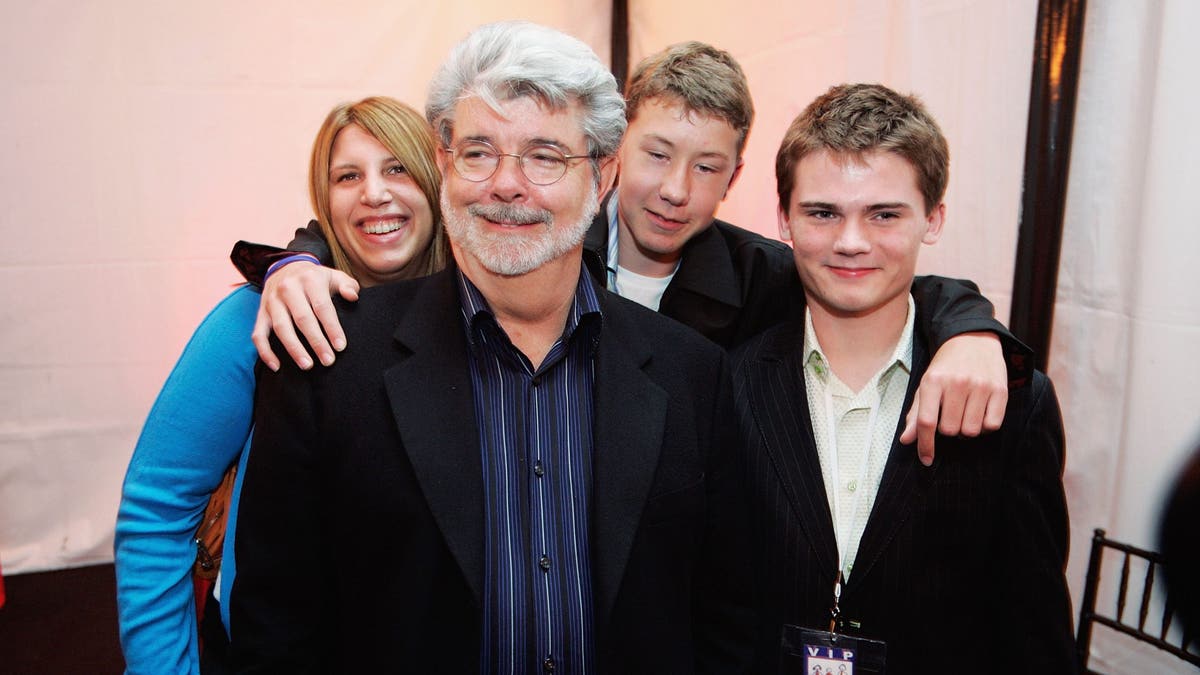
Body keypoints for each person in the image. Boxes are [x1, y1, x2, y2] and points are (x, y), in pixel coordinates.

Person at [230, 21, 753, 672]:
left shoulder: (692, 374)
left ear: (603, 172)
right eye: (479, 151)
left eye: (544, 155)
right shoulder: (330, 360)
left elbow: (727, 622)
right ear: (445, 162)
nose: (507, 184)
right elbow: (274, 631)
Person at [236, 41, 1025, 465]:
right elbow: (391, 231)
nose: (676, 189)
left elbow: (865, 270)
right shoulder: (527, 235)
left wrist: (971, 330)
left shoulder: (764, 276)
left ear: (738, 178)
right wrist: (293, 264)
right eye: (657, 154)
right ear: (614, 158)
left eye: (708, 166)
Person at [733, 83, 1076, 673]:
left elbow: (1033, 625)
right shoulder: (729, 382)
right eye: (822, 212)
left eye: (884, 214)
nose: (851, 242)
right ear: (784, 219)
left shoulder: (1009, 404)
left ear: (932, 219)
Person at [113, 96, 447, 674]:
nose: (374, 193)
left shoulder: (472, 320)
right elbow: (156, 510)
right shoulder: (256, 319)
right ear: (325, 200)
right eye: (349, 175)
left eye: (397, 168)